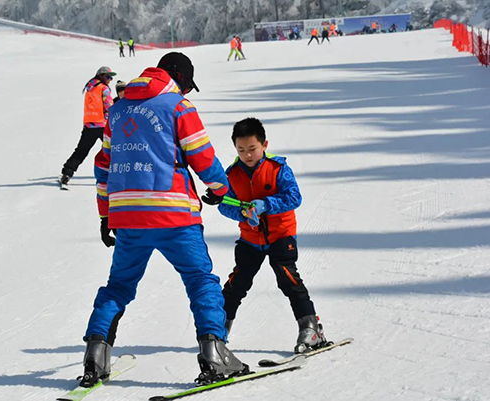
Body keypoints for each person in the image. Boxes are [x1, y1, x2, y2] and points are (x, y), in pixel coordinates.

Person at [80, 52, 249, 388]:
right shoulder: (177, 106)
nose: (186, 91)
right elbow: (202, 155)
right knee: (201, 280)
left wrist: (105, 213)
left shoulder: (117, 109)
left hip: (128, 216)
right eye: (186, 84)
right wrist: (219, 188)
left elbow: (103, 167)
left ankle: (95, 356)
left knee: (119, 286)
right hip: (174, 215)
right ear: (179, 77)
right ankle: (214, 353)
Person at [202, 117, 327, 354]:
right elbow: (224, 205)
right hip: (250, 239)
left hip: (281, 235)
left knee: (288, 279)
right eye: (241, 150)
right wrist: (242, 212)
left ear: (264, 145)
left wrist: (265, 205)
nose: (247, 155)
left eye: (252, 149)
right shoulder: (232, 175)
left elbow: (294, 197)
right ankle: (218, 331)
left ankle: (310, 328)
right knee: (236, 285)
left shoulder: (278, 169)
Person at [59, 66, 116, 186]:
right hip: (103, 125)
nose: (110, 79)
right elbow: (109, 106)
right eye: (108, 76)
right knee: (113, 149)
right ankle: (118, 173)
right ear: (100, 76)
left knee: (81, 150)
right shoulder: (103, 88)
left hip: (89, 125)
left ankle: (67, 173)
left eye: (111, 77)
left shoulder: (90, 88)